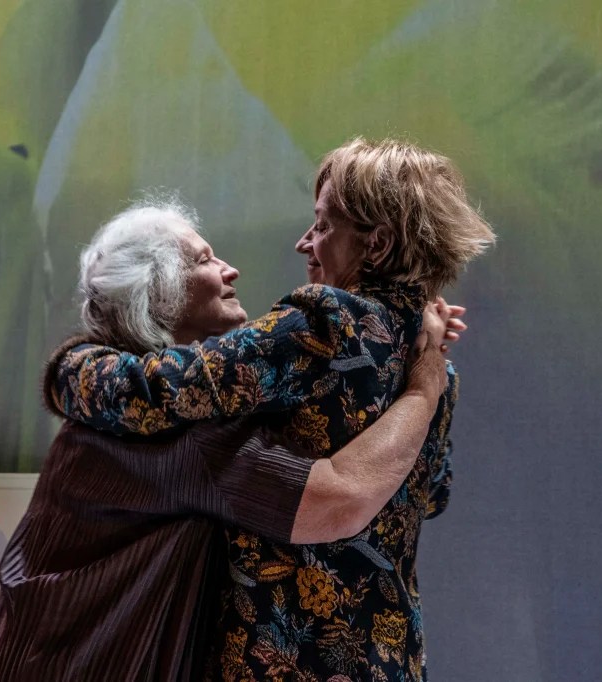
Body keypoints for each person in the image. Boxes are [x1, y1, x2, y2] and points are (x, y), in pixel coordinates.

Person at [46, 137, 495, 680]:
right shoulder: (436, 367)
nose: (305, 242)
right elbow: (433, 496)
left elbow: (153, 394)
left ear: (375, 245)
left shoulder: (322, 321)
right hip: (390, 657)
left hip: (286, 658)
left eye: (323, 225)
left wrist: (68, 366)